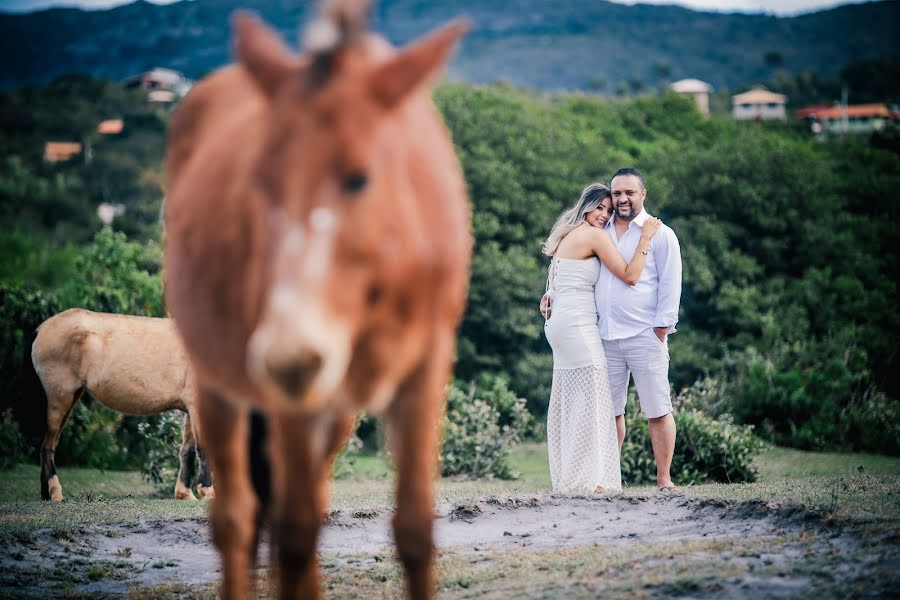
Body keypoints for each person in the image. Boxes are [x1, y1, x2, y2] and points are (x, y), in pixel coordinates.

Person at [542, 182, 661, 494]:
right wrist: (645, 238)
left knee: (575, 400)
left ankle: (576, 477)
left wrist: (548, 296)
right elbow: (630, 275)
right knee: (594, 400)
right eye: (600, 208)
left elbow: (559, 279)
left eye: (608, 211)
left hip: (562, 325)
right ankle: (591, 480)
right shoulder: (594, 235)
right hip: (578, 328)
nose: (604, 216)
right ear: (586, 206)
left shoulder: (568, 234)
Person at [597, 167, 682, 492]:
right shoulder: (599, 231)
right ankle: (608, 480)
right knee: (609, 411)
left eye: (629, 192)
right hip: (605, 335)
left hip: (645, 334)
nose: (622, 198)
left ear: (642, 194)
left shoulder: (661, 234)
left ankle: (664, 479)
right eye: (617, 193)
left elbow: (670, 282)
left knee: (657, 408)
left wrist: (662, 327)